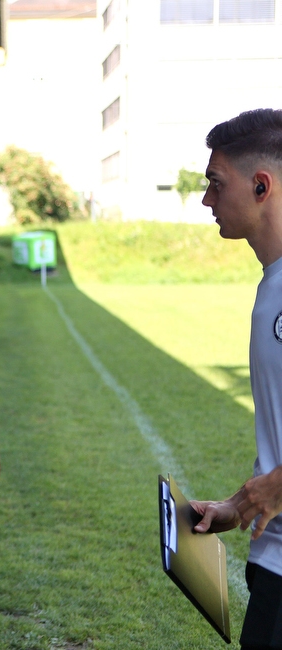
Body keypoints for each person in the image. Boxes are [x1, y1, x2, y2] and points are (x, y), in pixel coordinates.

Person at [189, 109, 282, 649]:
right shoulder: (270, 285)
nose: (207, 199)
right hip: (272, 558)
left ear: (262, 185)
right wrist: (237, 506)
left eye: (215, 184)